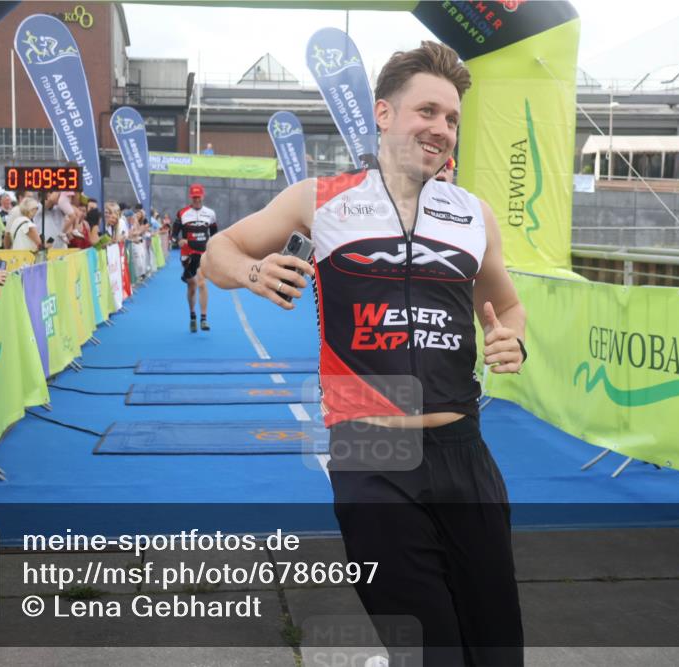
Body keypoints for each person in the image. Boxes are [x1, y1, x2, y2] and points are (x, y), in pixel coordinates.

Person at [202, 42, 526, 665]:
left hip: (465, 451)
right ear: (383, 113)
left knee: (498, 648)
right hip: (372, 453)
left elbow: (506, 306)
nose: (441, 129)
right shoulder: (319, 199)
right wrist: (252, 272)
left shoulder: (474, 215)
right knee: (430, 651)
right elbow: (221, 251)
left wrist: (510, 337)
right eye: (427, 111)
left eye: (453, 118)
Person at [173, 183, 217, 332]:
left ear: (203, 196)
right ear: (190, 197)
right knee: (191, 286)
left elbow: (215, 233)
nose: (197, 199)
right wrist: (178, 240)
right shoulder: (182, 213)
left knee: (202, 283)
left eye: (199, 197)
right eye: (194, 197)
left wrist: (213, 247)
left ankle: (204, 319)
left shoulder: (210, 213)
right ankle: (192, 315)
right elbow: (174, 233)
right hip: (188, 254)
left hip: (203, 254)